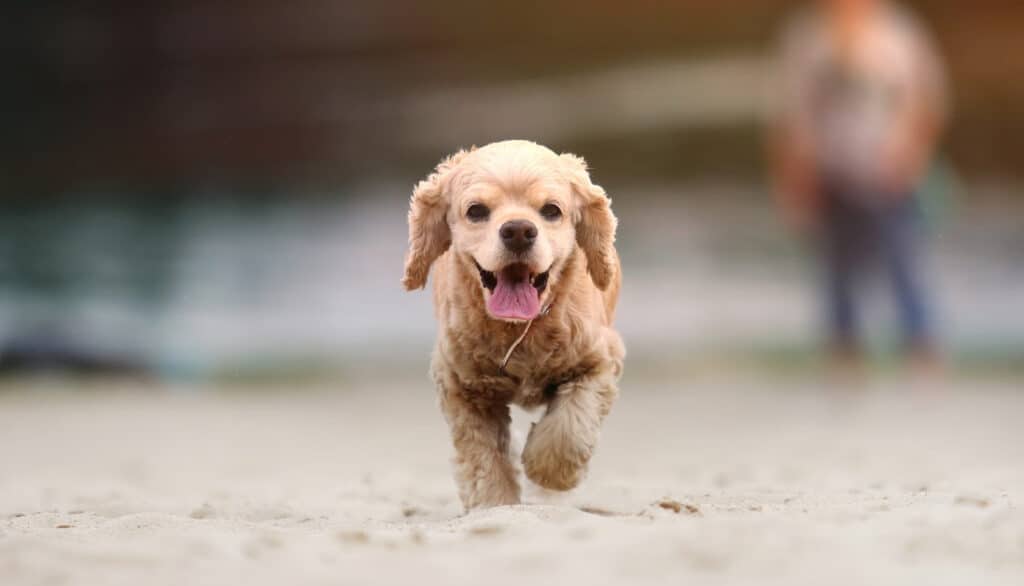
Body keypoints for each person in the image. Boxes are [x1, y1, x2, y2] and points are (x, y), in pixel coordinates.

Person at [771, 0, 949, 370]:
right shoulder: (807, 39)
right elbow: (790, 115)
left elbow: (927, 101)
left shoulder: (898, 35)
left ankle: (921, 349)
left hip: (889, 176)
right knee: (836, 272)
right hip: (832, 173)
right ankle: (844, 353)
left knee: (904, 264)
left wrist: (910, 157)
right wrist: (794, 176)